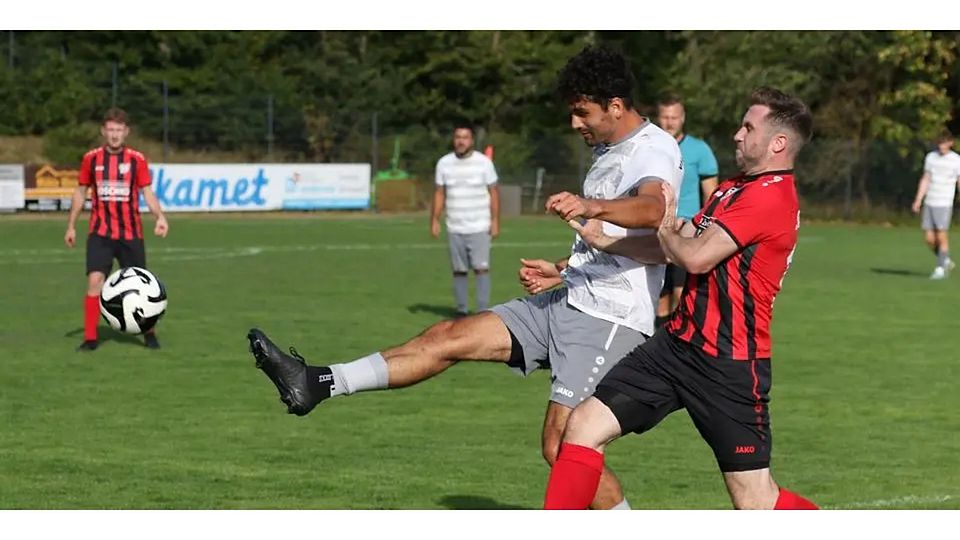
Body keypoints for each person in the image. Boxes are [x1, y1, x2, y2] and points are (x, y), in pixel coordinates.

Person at [246, 45, 682, 510]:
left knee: (564, 448)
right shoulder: (607, 149)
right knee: (448, 335)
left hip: (609, 319)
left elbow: (654, 210)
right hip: (571, 297)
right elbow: (612, 242)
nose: (575, 123)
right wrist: (563, 269)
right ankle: (317, 382)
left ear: (615, 106)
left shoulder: (653, 147)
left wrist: (590, 205)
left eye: (582, 112)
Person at [542, 87, 819, 510]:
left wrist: (667, 224)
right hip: (674, 347)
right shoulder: (734, 190)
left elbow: (693, 257)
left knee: (756, 501)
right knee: (581, 427)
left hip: (729, 364)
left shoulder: (771, 196)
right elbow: (672, 245)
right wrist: (606, 238)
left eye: (749, 127)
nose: (738, 135)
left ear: (778, 143)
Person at [64, 107, 169, 351]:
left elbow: (147, 192)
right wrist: (71, 225)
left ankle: (149, 333)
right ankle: (90, 338)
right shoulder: (91, 159)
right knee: (95, 281)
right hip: (100, 234)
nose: (114, 135)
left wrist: (160, 217)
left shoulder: (137, 160)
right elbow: (80, 192)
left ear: (126, 132)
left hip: (131, 235)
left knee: (141, 287)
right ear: (103, 131)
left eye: (119, 130)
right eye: (110, 130)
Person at [654, 96, 719, 326]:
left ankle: (678, 349)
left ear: (683, 118)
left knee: (681, 296)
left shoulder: (699, 150)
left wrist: (699, 229)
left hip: (687, 233)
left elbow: (713, 198)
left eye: (674, 117)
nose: (669, 122)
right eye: (665, 117)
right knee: (658, 296)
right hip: (655, 232)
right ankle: (654, 348)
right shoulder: (649, 147)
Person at [430, 124, 500, 315]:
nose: (461, 141)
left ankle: (482, 312)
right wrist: (435, 220)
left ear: (472, 140)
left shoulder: (484, 163)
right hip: (454, 226)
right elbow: (439, 193)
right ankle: (461, 311)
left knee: (481, 269)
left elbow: (493, 193)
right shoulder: (444, 163)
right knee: (459, 270)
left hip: (479, 226)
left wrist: (495, 221)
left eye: (465, 137)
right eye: (458, 137)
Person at [910, 130, 960, 280]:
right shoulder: (931, 157)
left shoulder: (956, 159)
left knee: (941, 235)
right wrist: (918, 200)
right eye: (940, 142)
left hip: (944, 202)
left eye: (945, 142)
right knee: (929, 238)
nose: (942, 145)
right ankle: (945, 260)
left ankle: (940, 268)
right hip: (930, 201)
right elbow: (926, 178)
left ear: (951, 143)